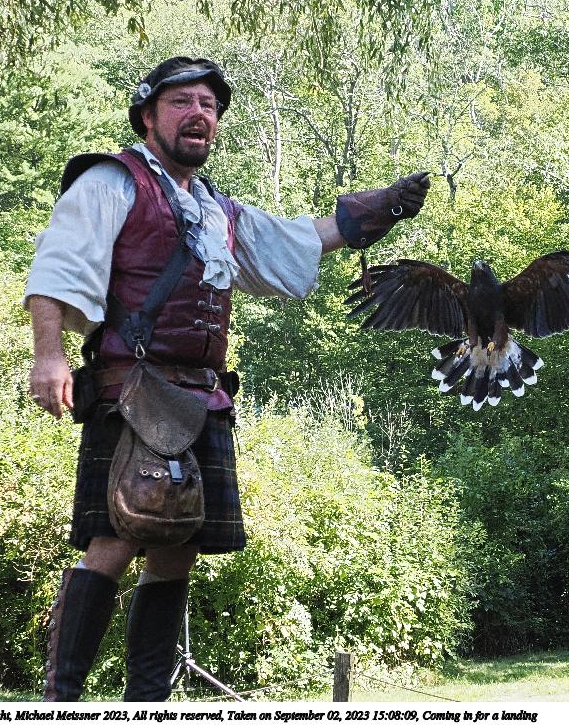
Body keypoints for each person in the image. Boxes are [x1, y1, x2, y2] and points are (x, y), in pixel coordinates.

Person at [24, 56, 430, 702]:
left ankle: (147, 706)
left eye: (209, 106)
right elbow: (57, 266)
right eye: (182, 102)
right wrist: (48, 355)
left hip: (202, 395)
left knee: (177, 545)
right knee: (115, 539)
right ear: (147, 116)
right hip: (132, 390)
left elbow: (294, 242)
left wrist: (373, 213)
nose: (199, 115)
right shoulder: (111, 182)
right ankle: (61, 702)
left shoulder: (218, 211)